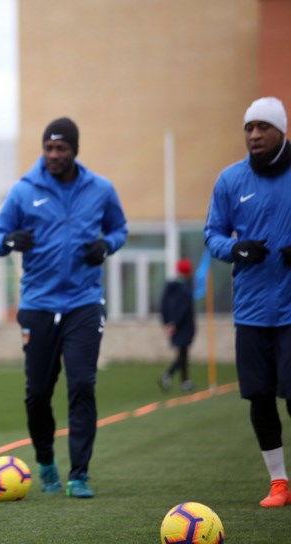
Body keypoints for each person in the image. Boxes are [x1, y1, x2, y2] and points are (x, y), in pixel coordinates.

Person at [0, 117, 127, 499]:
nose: (53, 154)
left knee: (82, 385)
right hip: (38, 304)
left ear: (74, 150)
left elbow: (119, 229)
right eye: (48, 148)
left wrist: (107, 245)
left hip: (84, 302)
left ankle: (79, 474)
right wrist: (10, 241)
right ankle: (46, 461)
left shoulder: (100, 189)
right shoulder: (23, 191)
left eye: (61, 148)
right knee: (38, 393)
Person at [204, 96, 291, 508]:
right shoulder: (230, 180)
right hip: (252, 312)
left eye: (262, 127)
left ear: (281, 131)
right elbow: (213, 235)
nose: (254, 135)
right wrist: (235, 250)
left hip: (290, 311)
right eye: (249, 128)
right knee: (259, 396)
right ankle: (279, 482)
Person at [159, 258, 197, 392]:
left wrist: (167, 323)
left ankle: (185, 381)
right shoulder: (185, 288)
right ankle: (168, 375)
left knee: (183, 353)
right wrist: (175, 323)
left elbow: (163, 305)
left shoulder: (169, 287)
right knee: (183, 354)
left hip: (174, 324)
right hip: (184, 325)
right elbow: (183, 309)